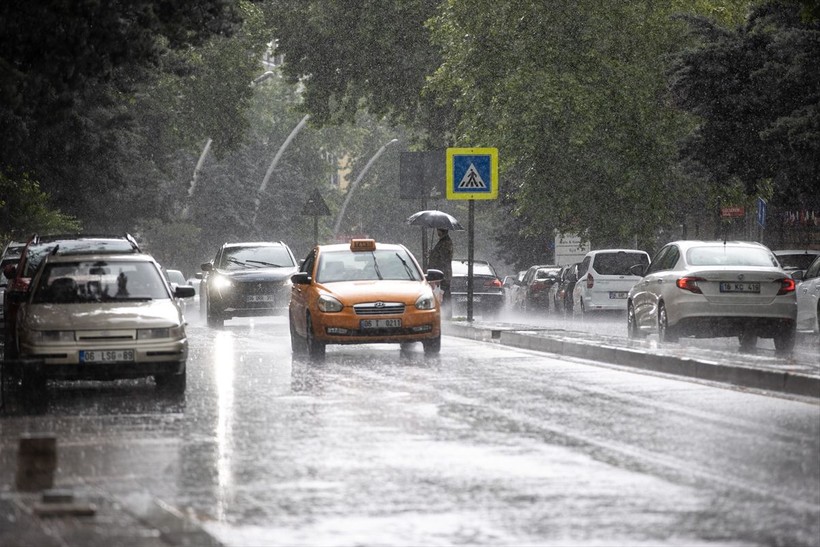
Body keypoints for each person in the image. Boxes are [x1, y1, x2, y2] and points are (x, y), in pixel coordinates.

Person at [427, 228, 453, 309]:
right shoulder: (443, 241)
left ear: (442, 231)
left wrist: (433, 254)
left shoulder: (446, 242)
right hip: (442, 272)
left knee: (444, 293)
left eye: (438, 230)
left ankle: (446, 311)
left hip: (443, 273)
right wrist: (433, 252)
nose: (437, 231)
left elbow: (443, 257)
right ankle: (444, 310)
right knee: (442, 292)